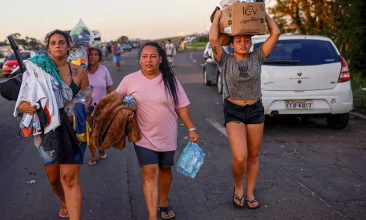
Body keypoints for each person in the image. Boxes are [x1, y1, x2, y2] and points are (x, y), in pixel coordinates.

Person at [116, 42, 199, 220]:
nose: (148, 60)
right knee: (150, 173)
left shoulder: (171, 80)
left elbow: (181, 107)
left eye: (153, 56)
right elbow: (116, 103)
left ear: (160, 59)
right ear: (140, 60)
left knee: (165, 170)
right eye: (145, 57)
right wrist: (125, 114)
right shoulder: (129, 80)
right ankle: (152, 217)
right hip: (143, 137)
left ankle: (163, 203)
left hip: (167, 136)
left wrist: (191, 128)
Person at [209, 9, 280, 209]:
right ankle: (238, 186)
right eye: (238, 40)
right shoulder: (225, 60)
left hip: (255, 110)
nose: (243, 43)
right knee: (240, 157)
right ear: (231, 44)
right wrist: (216, 19)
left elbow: (275, 33)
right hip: (234, 111)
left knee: (254, 156)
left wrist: (262, 15)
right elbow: (214, 39)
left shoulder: (258, 57)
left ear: (251, 43)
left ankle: (250, 193)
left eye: (246, 40)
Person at [17, 29, 91, 219]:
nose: (57, 45)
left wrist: (83, 105)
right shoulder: (37, 70)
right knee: (54, 179)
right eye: (53, 43)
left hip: (74, 129)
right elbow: (22, 93)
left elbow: (87, 94)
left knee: (69, 178)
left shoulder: (78, 71)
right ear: (48, 48)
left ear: (68, 46)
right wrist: (23, 105)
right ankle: (64, 200)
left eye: (61, 42)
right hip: (48, 130)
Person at [86, 47, 114, 166]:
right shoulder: (82, 70)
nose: (93, 57)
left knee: (100, 131)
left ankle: (101, 147)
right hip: (86, 107)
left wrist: (113, 104)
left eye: (96, 54)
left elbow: (110, 89)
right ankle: (93, 155)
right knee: (89, 132)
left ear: (99, 57)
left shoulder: (103, 70)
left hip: (101, 107)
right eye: (90, 54)